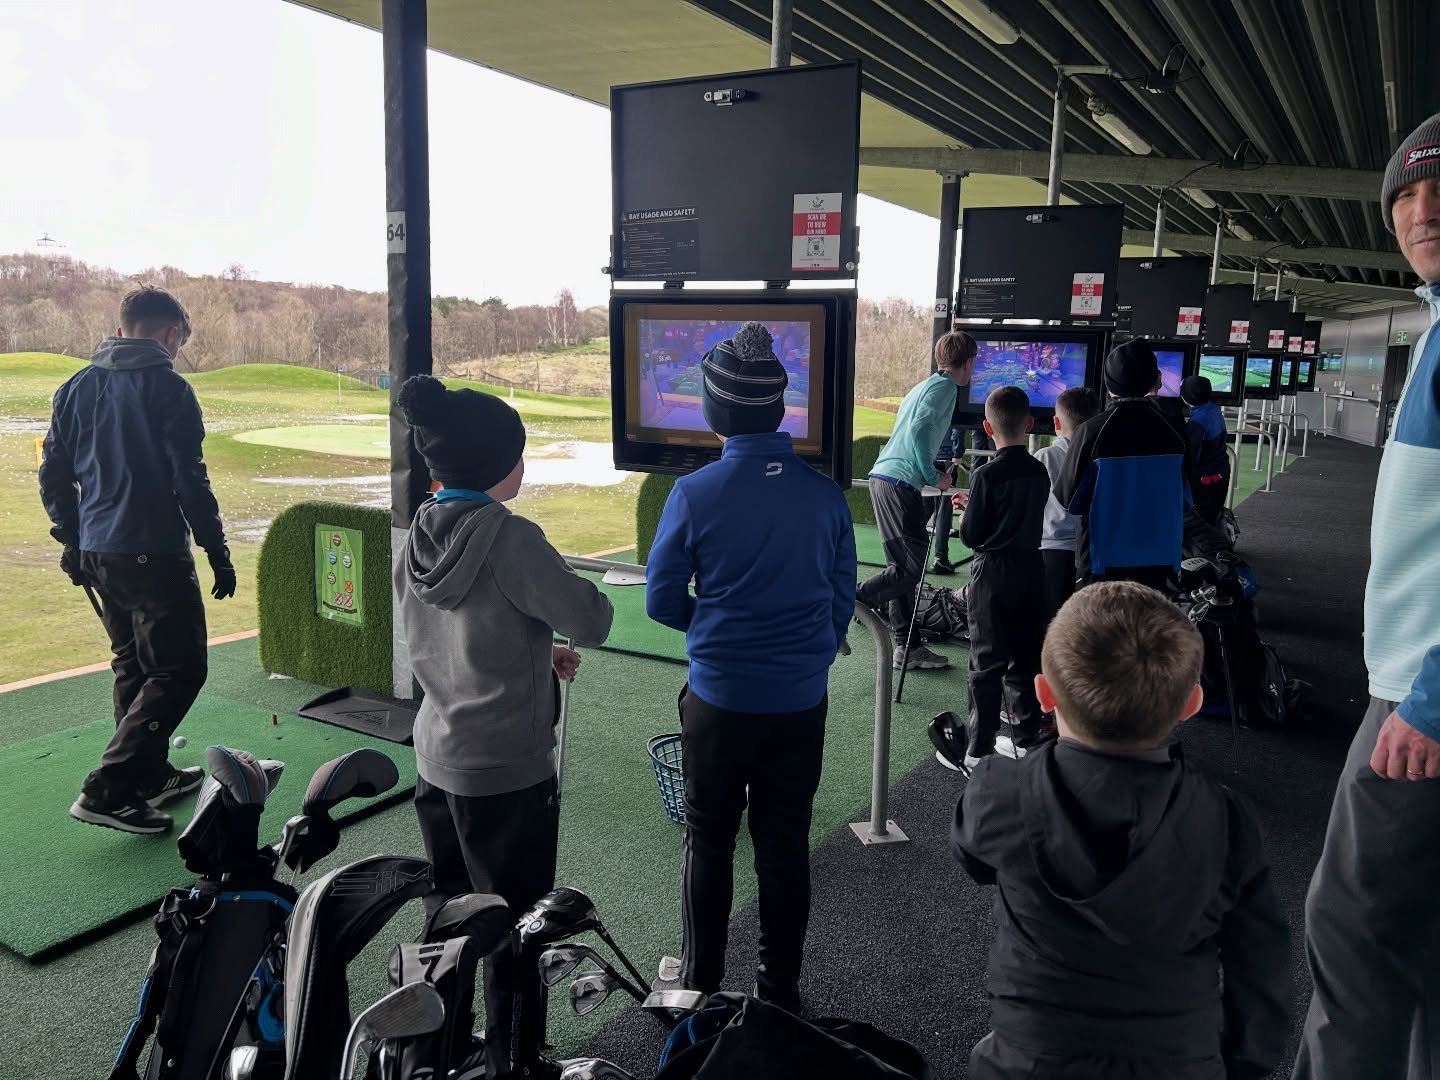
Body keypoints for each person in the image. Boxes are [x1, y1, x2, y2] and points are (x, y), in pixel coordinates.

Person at [954, 582, 1291, 1080]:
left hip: (1026, 1061)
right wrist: (1239, 1063)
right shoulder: (1227, 820)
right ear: (1192, 703)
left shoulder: (999, 792)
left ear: (1044, 693)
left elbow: (974, 859)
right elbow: (1261, 969)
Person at [394, 374, 615, 1080]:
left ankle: (443, 1046)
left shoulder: (416, 535)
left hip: (436, 763)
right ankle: (514, 1062)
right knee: (519, 926)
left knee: (450, 913)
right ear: (503, 466)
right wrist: (556, 629)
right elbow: (593, 619)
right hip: (506, 775)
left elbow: (450, 635)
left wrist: (532, 648)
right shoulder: (513, 538)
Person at [646, 322, 856, 1014]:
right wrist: (813, 652)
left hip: (719, 701)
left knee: (709, 840)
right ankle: (779, 990)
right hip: (800, 701)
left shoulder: (696, 493)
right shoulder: (825, 496)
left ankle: (701, 985)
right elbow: (842, 595)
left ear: (717, 411)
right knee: (783, 842)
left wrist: (709, 630)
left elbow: (660, 600)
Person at [1294, 113, 1440, 1080]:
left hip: (1420, 692)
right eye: (1406, 196)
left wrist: (1431, 699)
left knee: (1350, 927)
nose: (1422, 212)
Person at [39, 285, 234, 835]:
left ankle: (146, 775)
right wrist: (216, 548)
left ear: (122, 329)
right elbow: (189, 481)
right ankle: (109, 789)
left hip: (100, 553)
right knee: (178, 670)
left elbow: (53, 475)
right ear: (171, 335)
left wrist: (72, 540)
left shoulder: (75, 386)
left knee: (134, 664)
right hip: (153, 553)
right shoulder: (169, 389)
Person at [943, 387, 1050, 773]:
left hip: (992, 575)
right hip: (1032, 571)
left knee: (986, 663)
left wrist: (967, 510)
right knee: (1026, 658)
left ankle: (979, 746)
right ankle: (1026, 737)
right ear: (1030, 423)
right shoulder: (1040, 471)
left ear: (987, 427)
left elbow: (972, 535)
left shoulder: (987, 475)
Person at [857, 330, 977, 671]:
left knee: (902, 569)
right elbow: (920, 429)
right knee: (910, 569)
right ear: (967, 363)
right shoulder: (945, 388)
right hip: (899, 483)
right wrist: (932, 475)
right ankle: (849, 599)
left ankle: (906, 647)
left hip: (885, 479)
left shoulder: (923, 386)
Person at [1053, 340, 1189, 592]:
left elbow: (1069, 500)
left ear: (1108, 382)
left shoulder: (1091, 432)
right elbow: (1186, 500)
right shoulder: (1175, 432)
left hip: (1104, 560)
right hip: (1160, 560)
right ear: (1154, 380)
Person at [1033, 387, 1099, 621]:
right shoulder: (1099, 458)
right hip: (1090, 554)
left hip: (1050, 553)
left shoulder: (1045, 456)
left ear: (1056, 422)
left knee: (1049, 626)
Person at [1180, 375, 1231, 527]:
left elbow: (1190, 455)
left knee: (1201, 519)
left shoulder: (1197, 423)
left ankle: (1209, 548)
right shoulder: (1213, 409)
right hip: (1221, 470)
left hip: (1206, 478)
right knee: (1212, 514)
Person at [930, 420, 966, 575]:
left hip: (931, 457)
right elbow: (958, 429)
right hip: (947, 459)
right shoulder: (953, 399)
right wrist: (958, 453)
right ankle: (940, 558)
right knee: (944, 511)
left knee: (926, 510)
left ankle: (910, 554)